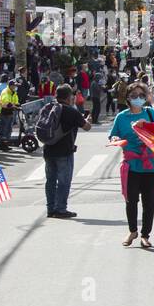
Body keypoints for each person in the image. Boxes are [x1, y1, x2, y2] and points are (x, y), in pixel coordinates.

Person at [108, 83, 154, 247]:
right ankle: (132, 231)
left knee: (149, 203)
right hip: (131, 165)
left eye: (141, 95)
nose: (138, 98)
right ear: (127, 98)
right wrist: (115, 139)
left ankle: (145, 235)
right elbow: (113, 135)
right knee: (131, 200)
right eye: (134, 95)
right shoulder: (121, 117)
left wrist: (147, 125)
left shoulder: (150, 113)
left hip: (151, 165)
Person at [41, 84, 92, 219]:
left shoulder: (48, 107)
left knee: (50, 181)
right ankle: (61, 209)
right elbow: (87, 127)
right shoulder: (71, 111)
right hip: (64, 151)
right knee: (64, 181)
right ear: (69, 97)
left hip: (48, 149)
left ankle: (50, 208)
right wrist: (87, 120)